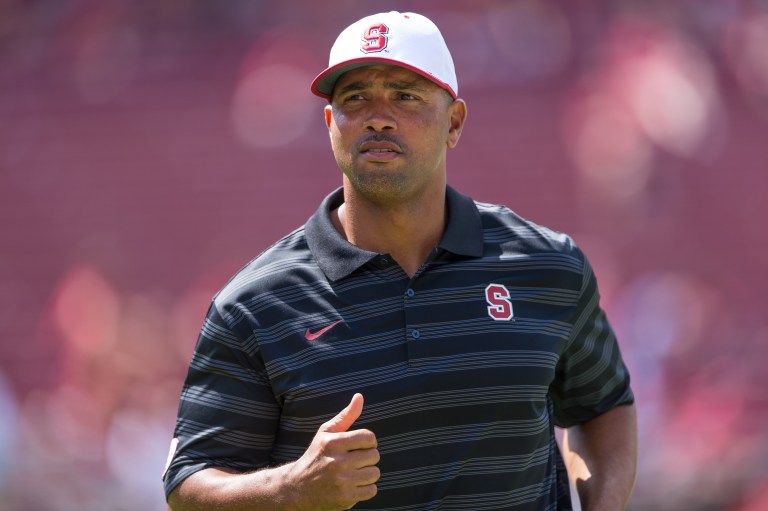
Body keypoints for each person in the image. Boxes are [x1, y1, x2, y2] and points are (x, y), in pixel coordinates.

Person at [163, 10, 637, 511]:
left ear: (453, 121)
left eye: (406, 96)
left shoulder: (547, 266)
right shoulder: (253, 306)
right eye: (355, 98)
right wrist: (291, 490)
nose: (378, 116)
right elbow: (188, 485)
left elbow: (602, 407)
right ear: (331, 125)